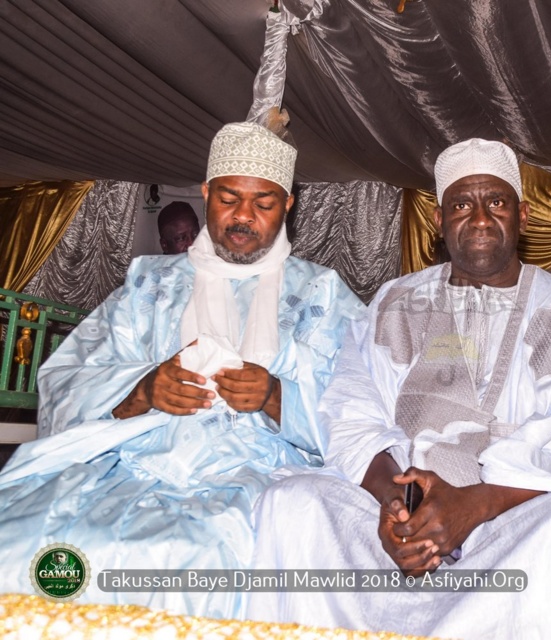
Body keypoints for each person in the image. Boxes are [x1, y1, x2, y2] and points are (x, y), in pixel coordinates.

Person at [249, 138, 551, 639]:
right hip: (396, 523)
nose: (480, 217)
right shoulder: (395, 303)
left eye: (496, 202)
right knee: (293, 502)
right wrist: (397, 511)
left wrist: (471, 507)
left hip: (506, 526)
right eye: (462, 204)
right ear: (439, 222)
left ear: (524, 215)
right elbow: (352, 412)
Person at [0, 122, 364, 618]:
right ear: (206, 193)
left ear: (288, 206)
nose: (243, 217)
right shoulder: (147, 283)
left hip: (257, 474)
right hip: (126, 464)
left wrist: (277, 396)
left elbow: (363, 412)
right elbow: (66, 376)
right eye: (229, 199)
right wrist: (142, 389)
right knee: (20, 539)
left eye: (264, 203)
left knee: (197, 564)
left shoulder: (322, 294)